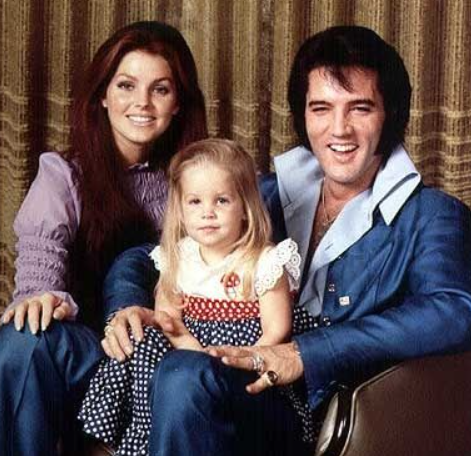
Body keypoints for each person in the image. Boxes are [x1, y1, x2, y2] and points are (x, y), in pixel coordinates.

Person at [100, 25, 471, 455]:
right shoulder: (266, 194)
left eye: (360, 108)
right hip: (235, 385)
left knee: (186, 374)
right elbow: (145, 256)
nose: (339, 129)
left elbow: (455, 309)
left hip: (323, 413)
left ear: (389, 115)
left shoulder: (430, 213)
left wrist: (306, 352)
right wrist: (126, 308)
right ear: (303, 116)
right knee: (146, 366)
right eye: (321, 108)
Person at [0, 20, 207, 456]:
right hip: (88, 352)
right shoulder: (64, 176)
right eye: (127, 86)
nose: (142, 104)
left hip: (164, 353)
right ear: (102, 97)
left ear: (179, 104)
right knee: (23, 338)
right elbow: (40, 276)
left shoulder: (198, 182)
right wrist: (43, 298)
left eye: (161, 90)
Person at [78, 138, 314, 455]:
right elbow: (168, 318)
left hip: (240, 363)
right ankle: (128, 438)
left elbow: (277, 329)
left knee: (189, 375)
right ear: (181, 209)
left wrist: (232, 357)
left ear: (245, 207)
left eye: (221, 201)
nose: (207, 213)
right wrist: (191, 347)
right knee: (144, 340)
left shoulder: (264, 261)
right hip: (185, 348)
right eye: (195, 202)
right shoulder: (179, 257)